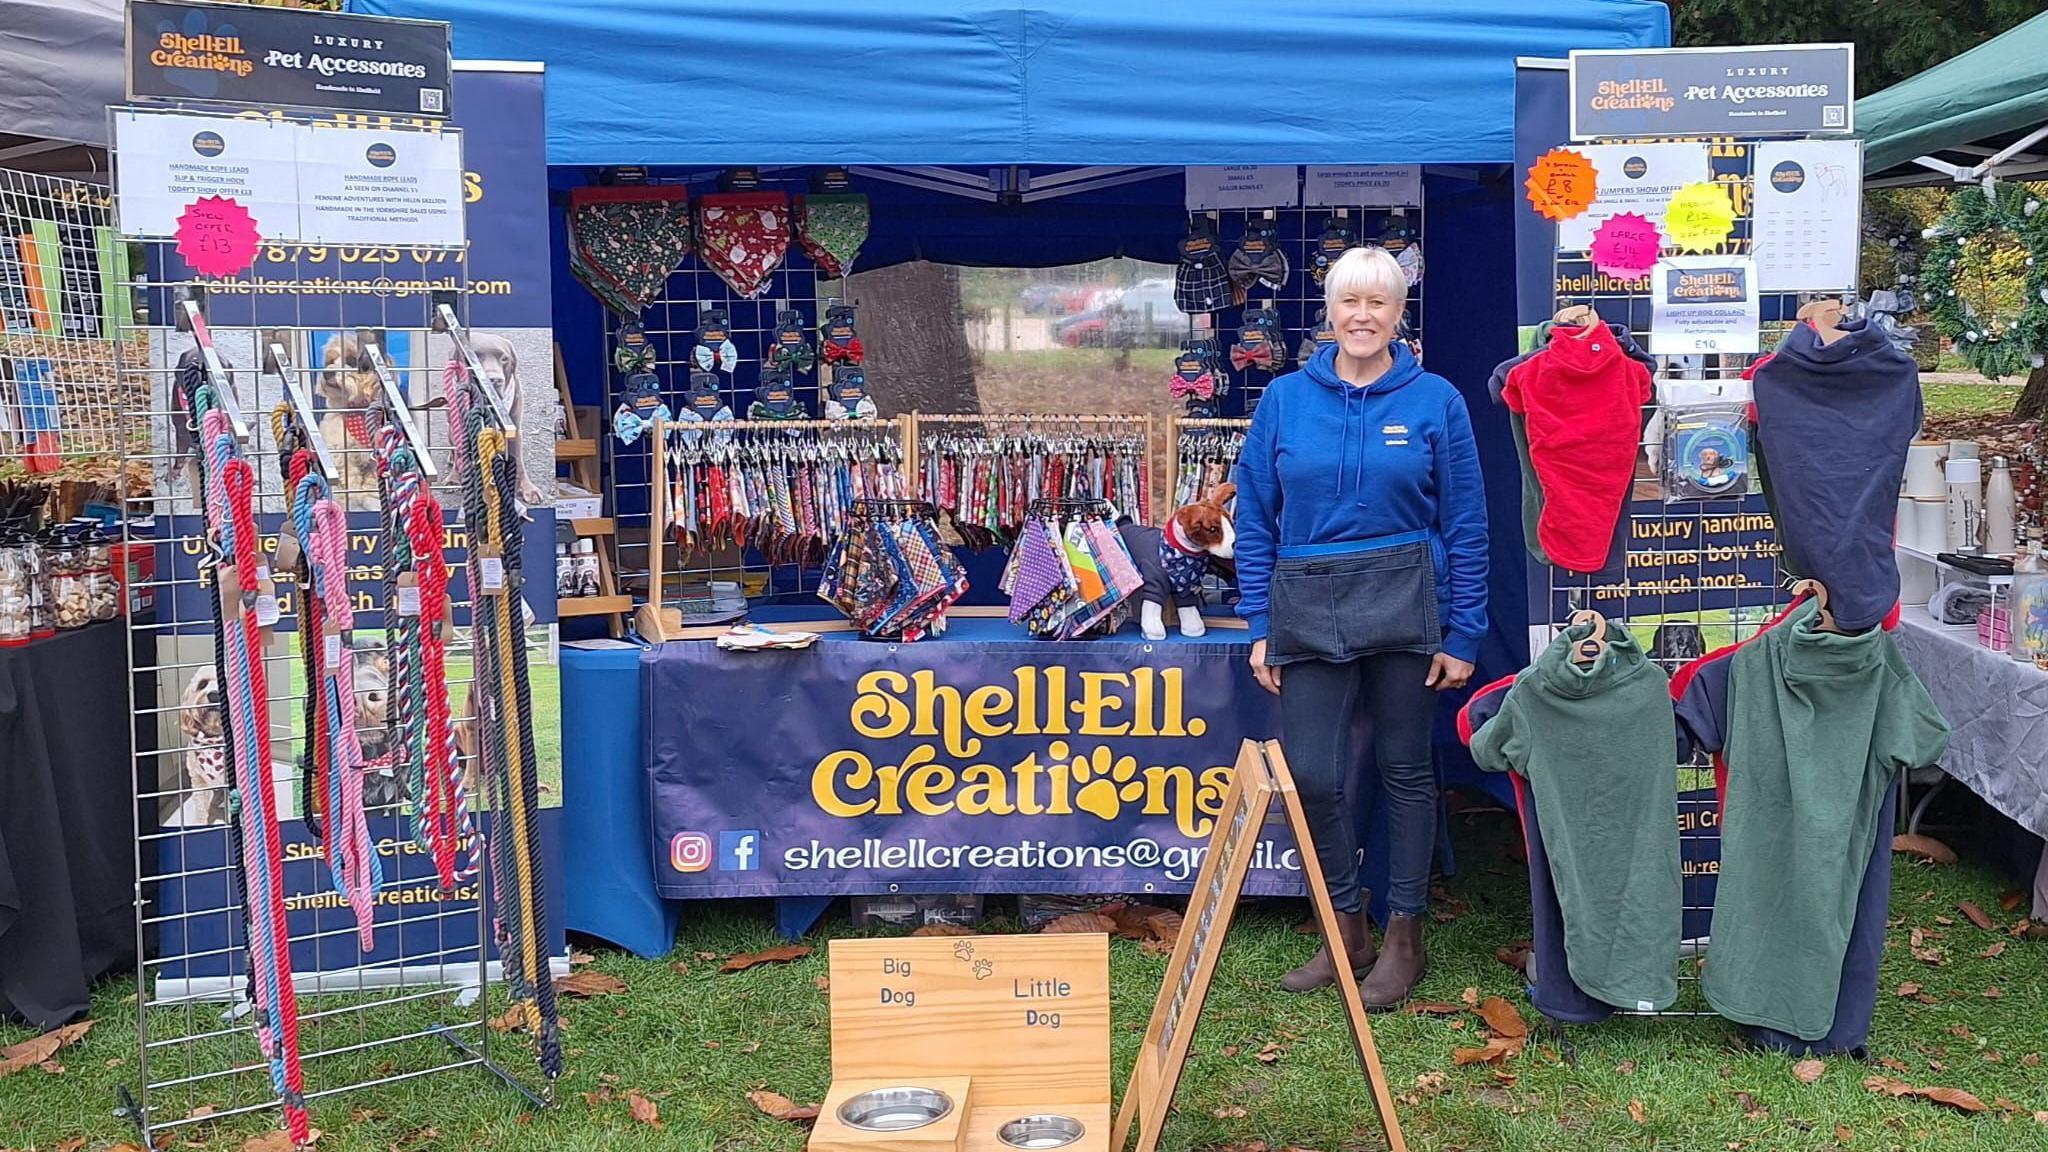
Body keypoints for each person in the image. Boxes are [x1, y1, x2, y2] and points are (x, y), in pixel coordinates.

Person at [1233, 245, 1488, 1006]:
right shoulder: (1283, 398)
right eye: (1351, 302)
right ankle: (1347, 927)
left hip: (1409, 603)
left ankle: (1406, 933)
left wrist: (1464, 632)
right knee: (1311, 773)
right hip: (1307, 604)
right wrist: (1259, 621)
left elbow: (1467, 522)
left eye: (1379, 303)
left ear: (1399, 314)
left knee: (1406, 771)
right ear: (1331, 313)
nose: (1363, 316)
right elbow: (1254, 515)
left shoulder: (1436, 399)